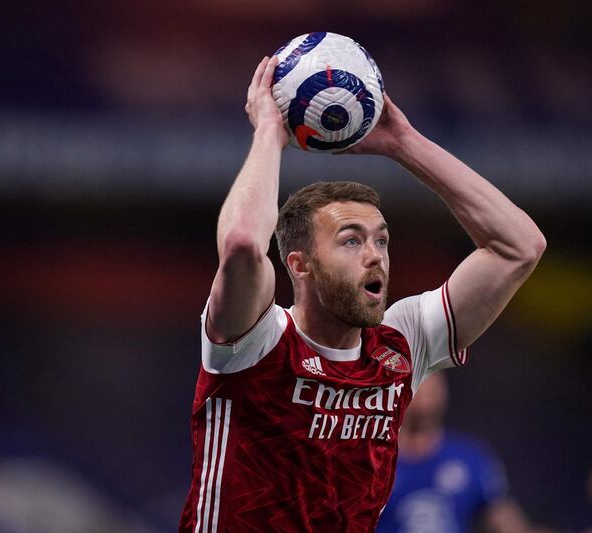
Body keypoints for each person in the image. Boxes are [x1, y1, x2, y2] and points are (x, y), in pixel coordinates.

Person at [179, 54, 546, 531]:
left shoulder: (401, 343)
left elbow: (519, 247)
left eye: (381, 240)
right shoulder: (255, 339)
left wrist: (404, 144)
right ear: (300, 265)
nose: (375, 255)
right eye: (351, 240)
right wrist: (269, 134)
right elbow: (244, 243)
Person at [378, 373, 542, 533]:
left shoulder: (470, 458)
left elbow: (503, 518)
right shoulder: (373, 459)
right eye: (419, 389)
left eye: (432, 390)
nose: (425, 401)